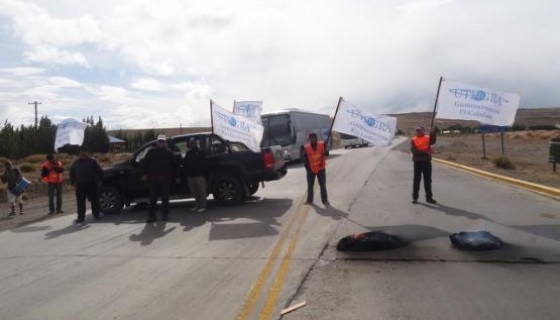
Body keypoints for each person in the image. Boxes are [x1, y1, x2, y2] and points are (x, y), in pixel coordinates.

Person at [143, 134, 176, 223]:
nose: (161, 143)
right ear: (157, 142)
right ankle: (151, 216)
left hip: (166, 179)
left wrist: (177, 176)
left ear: (165, 143)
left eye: (163, 141)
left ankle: (165, 215)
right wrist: (145, 174)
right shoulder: (151, 152)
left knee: (165, 198)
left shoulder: (169, 152)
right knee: (152, 198)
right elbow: (145, 163)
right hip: (153, 179)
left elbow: (174, 165)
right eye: (160, 141)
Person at [70, 145, 104, 223]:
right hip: (80, 185)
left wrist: (100, 180)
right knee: (80, 202)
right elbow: (71, 173)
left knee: (94, 200)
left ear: (87, 153)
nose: (82, 154)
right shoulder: (76, 162)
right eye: (81, 152)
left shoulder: (93, 161)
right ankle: (81, 217)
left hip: (91, 184)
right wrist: (73, 182)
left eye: (84, 152)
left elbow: (100, 171)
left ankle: (96, 214)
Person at [411, 126, 437, 204]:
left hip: (426, 162)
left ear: (423, 131)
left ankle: (429, 198)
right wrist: (426, 152)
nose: (418, 131)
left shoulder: (427, 138)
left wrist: (433, 133)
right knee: (416, 180)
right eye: (417, 130)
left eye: (419, 130)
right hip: (417, 162)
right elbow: (414, 151)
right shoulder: (413, 140)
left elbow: (433, 141)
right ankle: (415, 197)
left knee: (428, 181)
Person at [302, 132, 329, 206]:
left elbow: (327, 154)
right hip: (311, 170)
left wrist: (326, 150)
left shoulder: (322, 145)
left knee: (322, 185)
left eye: (314, 138)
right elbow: (304, 158)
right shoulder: (306, 147)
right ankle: (309, 200)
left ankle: (325, 201)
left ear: (316, 138)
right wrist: (307, 167)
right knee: (310, 185)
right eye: (311, 138)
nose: (313, 139)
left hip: (321, 168)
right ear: (309, 139)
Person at [182, 138, 207, 213]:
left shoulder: (200, 152)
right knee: (194, 192)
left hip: (199, 175)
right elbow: (185, 163)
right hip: (190, 176)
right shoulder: (188, 153)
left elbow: (204, 164)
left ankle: (203, 206)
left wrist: (202, 173)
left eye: (193, 142)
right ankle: (197, 205)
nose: (191, 144)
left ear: (196, 143)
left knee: (201, 191)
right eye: (190, 142)